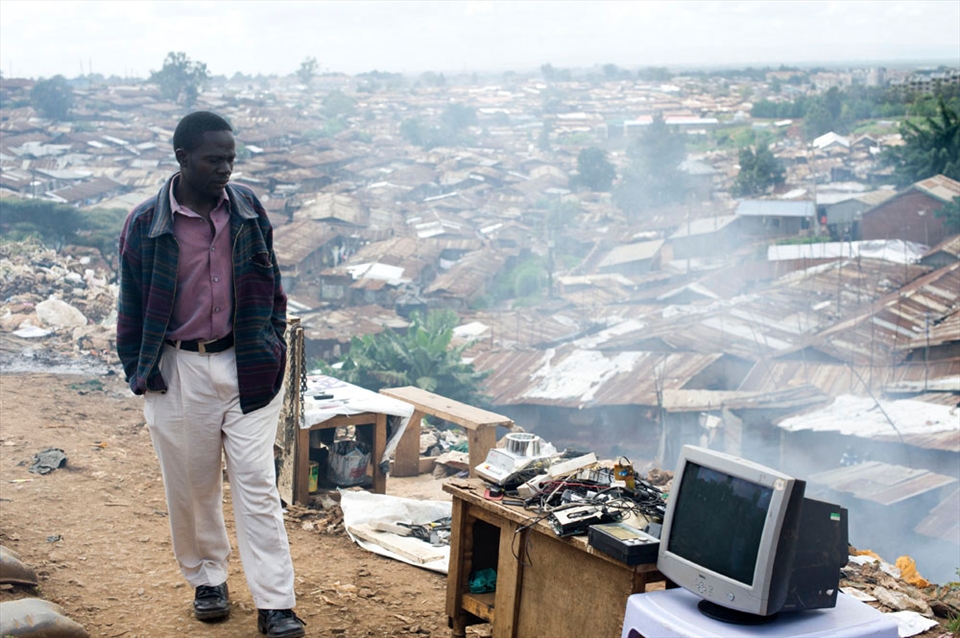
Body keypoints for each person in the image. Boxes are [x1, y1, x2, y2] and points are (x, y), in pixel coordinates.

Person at [117, 111, 305, 638]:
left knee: (257, 486)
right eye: (213, 158)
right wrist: (141, 371)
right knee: (193, 487)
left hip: (247, 363)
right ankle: (208, 580)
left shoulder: (246, 209)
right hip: (179, 369)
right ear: (182, 158)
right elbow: (131, 306)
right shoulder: (145, 223)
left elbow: (273, 286)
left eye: (230, 158)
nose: (225, 167)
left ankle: (276, 604)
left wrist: (271, 339)